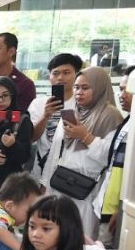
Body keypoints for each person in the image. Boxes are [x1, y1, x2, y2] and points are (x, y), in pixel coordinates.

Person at [39, 67, 123, 239]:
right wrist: (45, 185)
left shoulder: (111, 116)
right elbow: (55, 152)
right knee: (56, 238)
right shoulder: (73, 112)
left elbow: (110, 158)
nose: (79, 92)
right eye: (77, 87)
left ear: (99, 87)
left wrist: (86, 137)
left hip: (86, 192)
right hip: (60, 186)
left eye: (85, 88)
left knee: (79, 240)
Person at [93, 65, 133, 248]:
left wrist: (123, 206)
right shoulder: (129, 121)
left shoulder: (115, 117)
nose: (122, 95)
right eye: (122, 89)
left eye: (128, 90)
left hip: (122, 207)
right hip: (107, 204)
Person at [29, 54, 82, 179]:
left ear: (77, 75)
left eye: (66, 72)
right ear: (49, 77)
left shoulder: (82, 104)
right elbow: (31, 138)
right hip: (40, 169)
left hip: (70, 172)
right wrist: (45, 116)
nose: (60, 77)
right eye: (55, 73)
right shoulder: (38, 103)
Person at [0, 76, 35, 199]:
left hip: (10, 186)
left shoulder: (22, 120)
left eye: (5, 95)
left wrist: (13, 145)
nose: (0, 100)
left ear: (12, 96)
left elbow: (25, 156)